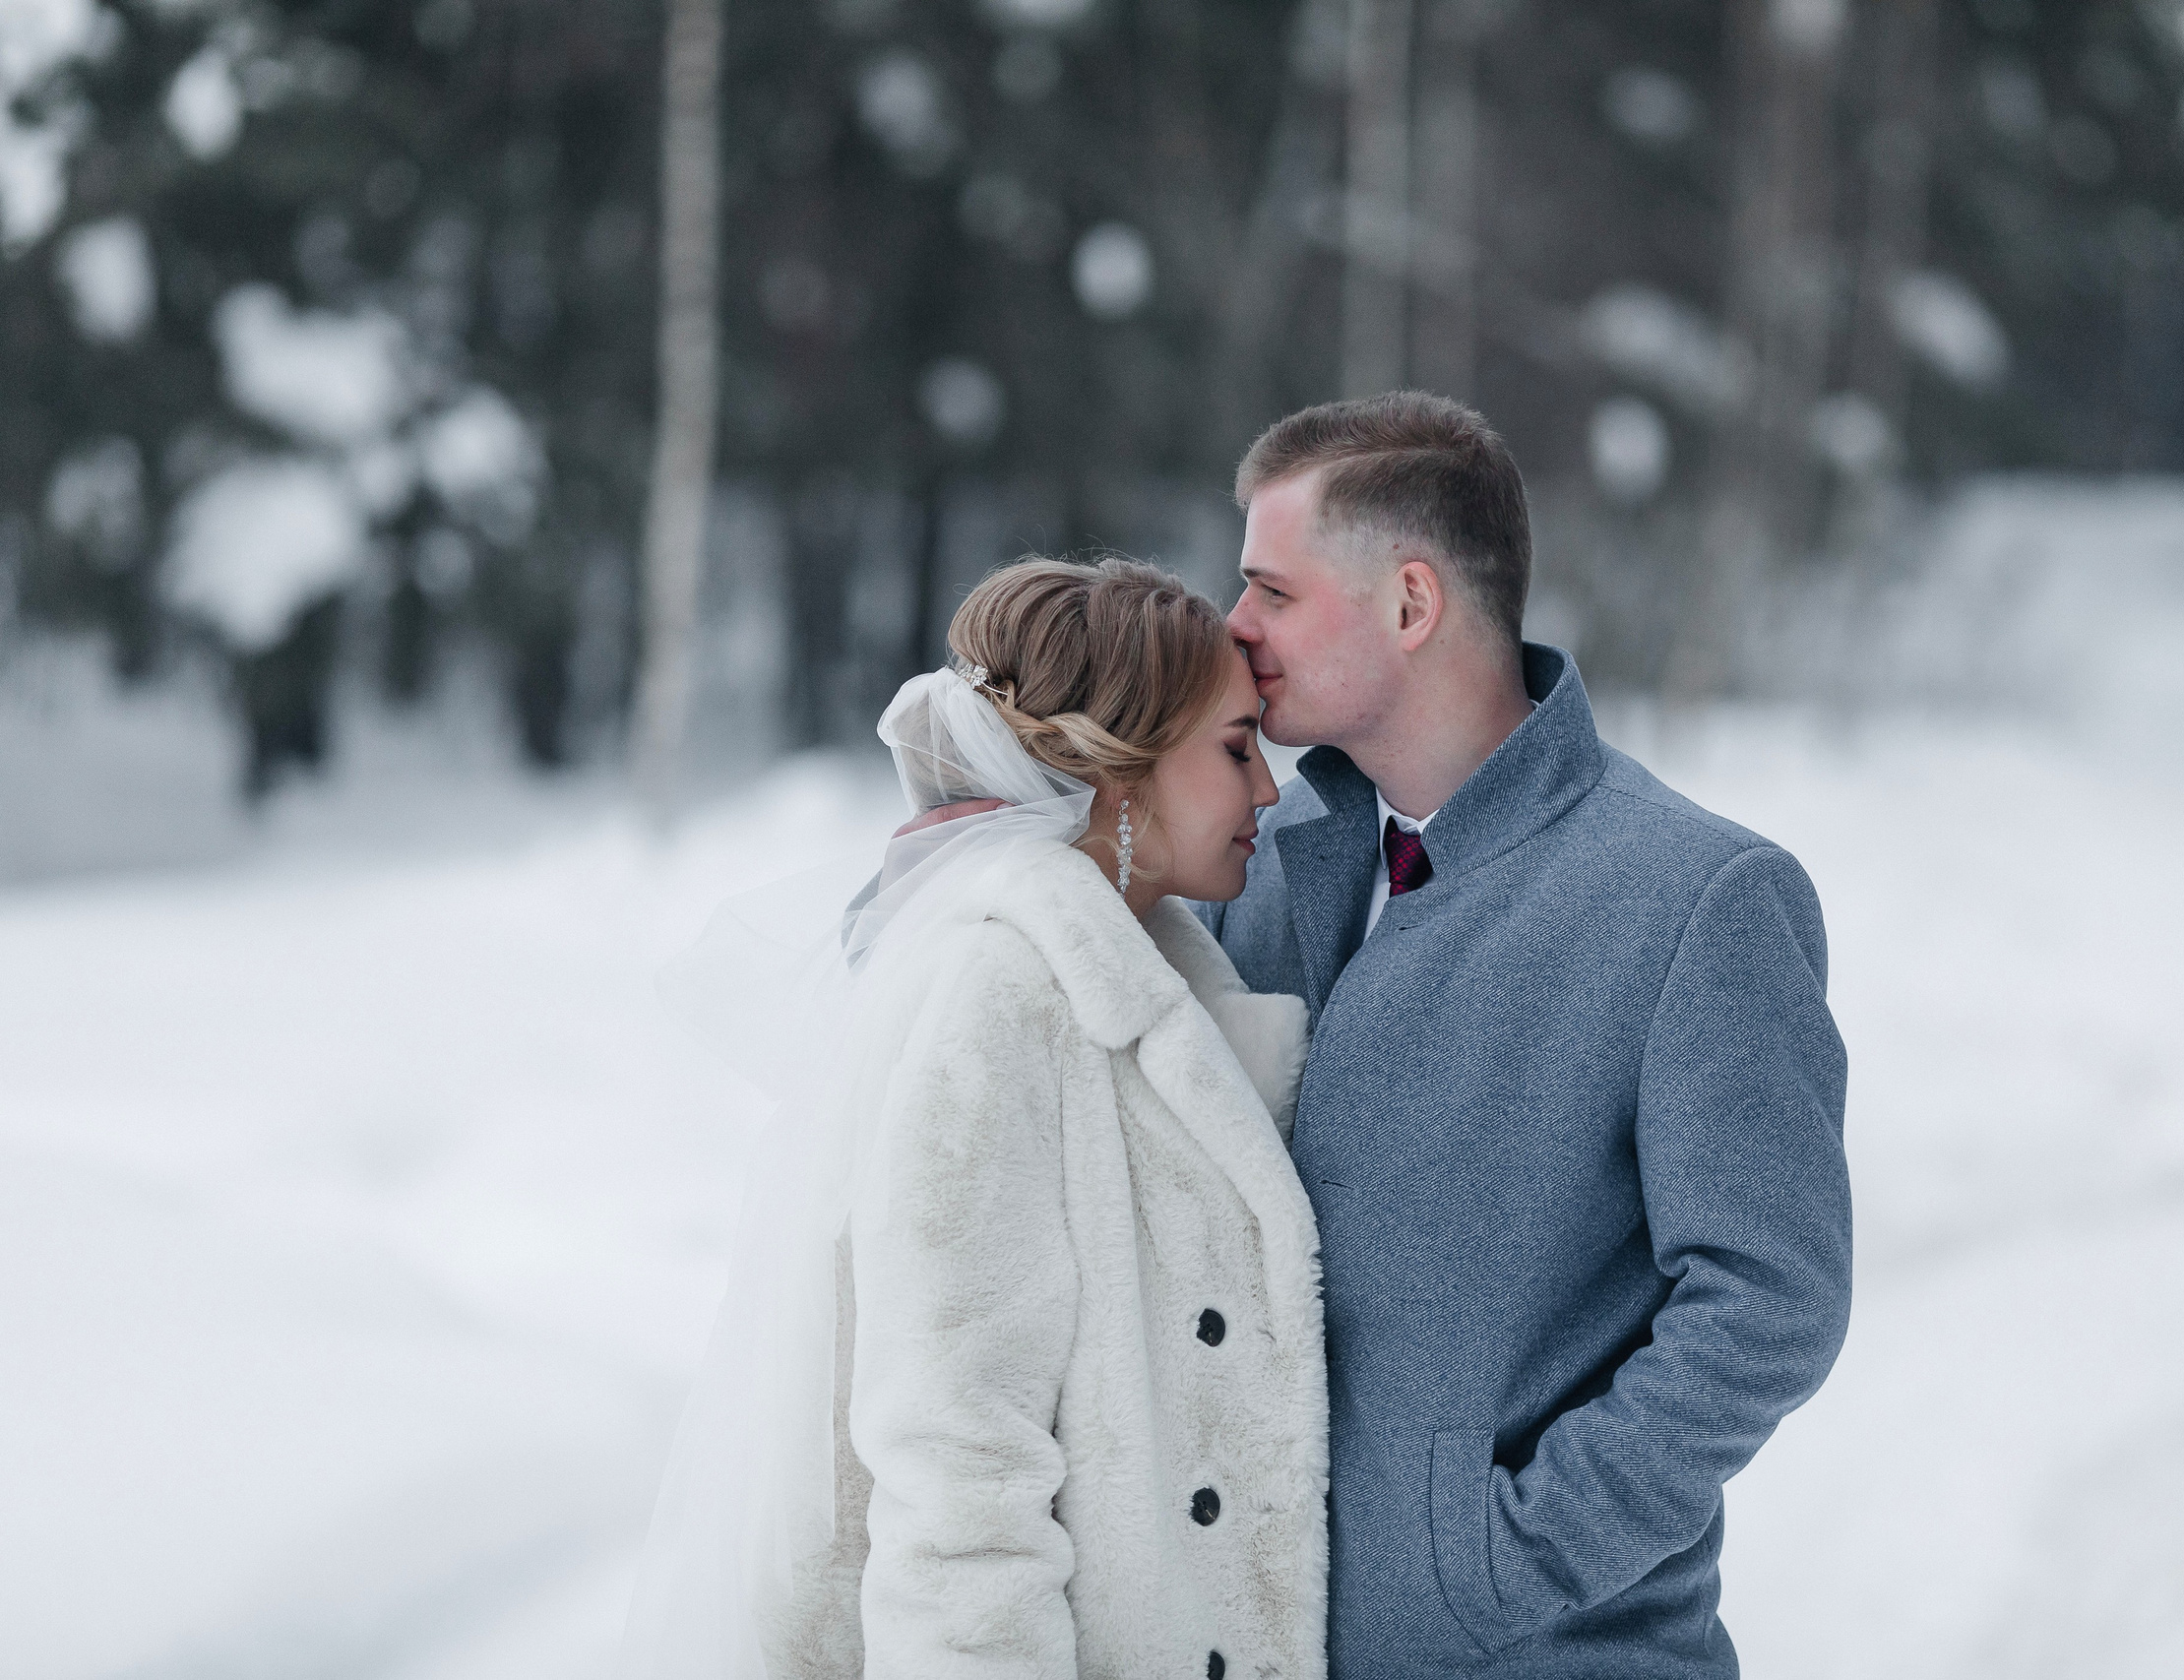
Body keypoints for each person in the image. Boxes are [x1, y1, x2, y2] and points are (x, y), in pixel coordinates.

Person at [1201, 393, 1852, 1677]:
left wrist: (1503, 1558)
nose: (1236, 625)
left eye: (1273, 589)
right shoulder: (1254, 860)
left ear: (1411, 602)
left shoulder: (1695, 897)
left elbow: (1770, 1299)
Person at [622, 558, 1330, 1680]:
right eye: (1237, 749)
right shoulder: (997, 1000)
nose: (1270, 793)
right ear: (1121, 774)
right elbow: (957, 1468)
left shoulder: (1143, 977)